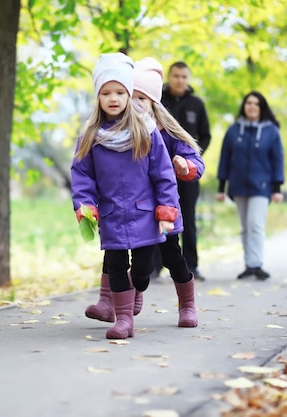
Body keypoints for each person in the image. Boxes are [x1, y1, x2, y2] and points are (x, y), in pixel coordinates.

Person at [84, 57, 205, 328]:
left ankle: (187, 306)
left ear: (153, 102)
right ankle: (111, 303)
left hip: (165, 205)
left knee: (172, 257)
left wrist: (186, 167)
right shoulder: (116, 131)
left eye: (141, 98)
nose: (134, 103)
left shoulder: (164, 132)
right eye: (132, 96)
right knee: (115, 251)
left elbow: (193, 160)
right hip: (130, 206)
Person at [71, 53, 180, 339]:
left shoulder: (145, 131)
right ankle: (123, 320)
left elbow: (163, 173)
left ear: (129, 93)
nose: (113, 98)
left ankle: (136, 292)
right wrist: (85, 205)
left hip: (144, 213)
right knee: (117, 266)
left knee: (143, 269)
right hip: (112, 214)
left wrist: (167, 207)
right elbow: (82, 174)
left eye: (120, 92)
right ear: (98, 97)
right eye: (106, 92)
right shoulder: (91, 135)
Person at [215, 91, 285, 280]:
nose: (252, 106)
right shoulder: (233, 130)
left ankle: (257, 264)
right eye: (248, 103)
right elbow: (225, 158)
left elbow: (278, 159)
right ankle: (249, 264)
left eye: (256, 103)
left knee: (255, 224)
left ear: (261, 107)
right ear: (244, 106)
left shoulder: (271, 131)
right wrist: (221, 187)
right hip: (238, 186)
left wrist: (277, 188)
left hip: (262, 186)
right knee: (245, 227)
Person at [157, 61, 212, 281]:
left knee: (187, 217)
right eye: (176, 76)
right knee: (158, 214)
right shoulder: (158, 101)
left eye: (184, 77)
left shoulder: (196, 104)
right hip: (159, 171)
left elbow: (206, 135)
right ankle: (154, 266)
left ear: (188, 79)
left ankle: (192, 265)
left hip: (187, 173)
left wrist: (192, 160)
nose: (180, 80)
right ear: (169, 77)